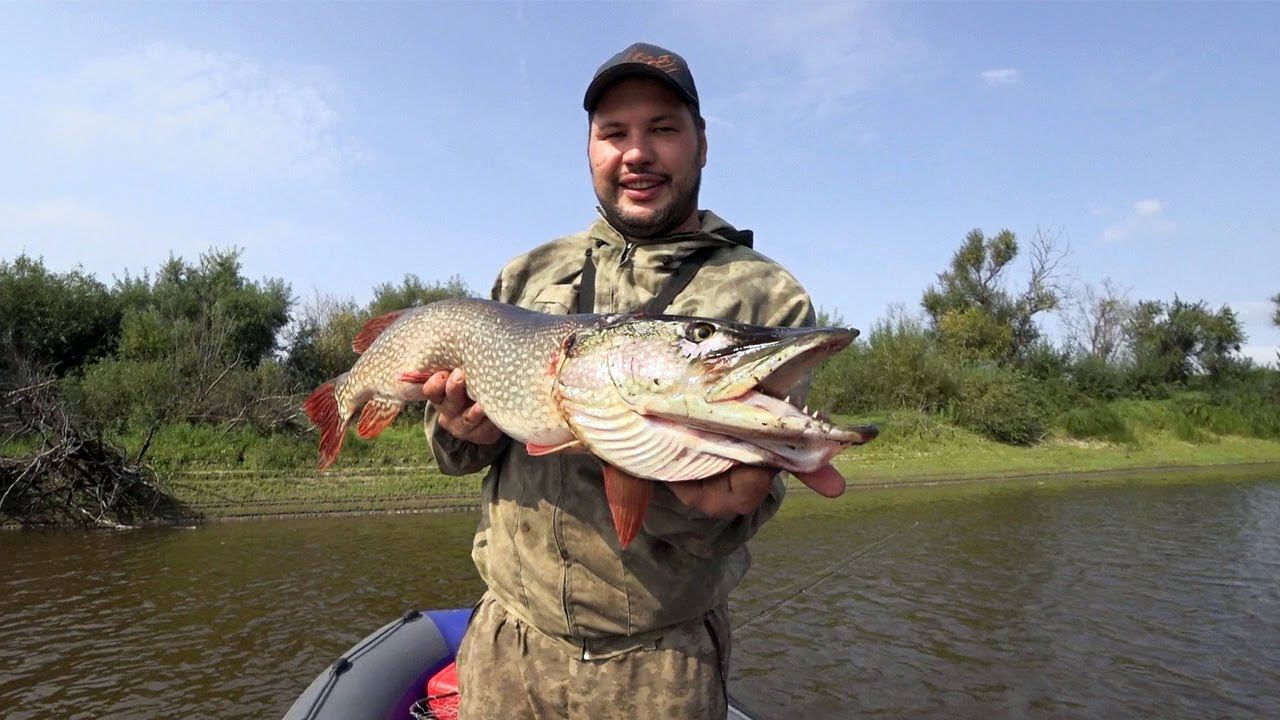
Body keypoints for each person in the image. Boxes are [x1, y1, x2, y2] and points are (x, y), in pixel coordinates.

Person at [421, 42, 845, 719]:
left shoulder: (764, 297)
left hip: (658, 664)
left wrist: (712, 503)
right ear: (591, 148)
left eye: (664, 129)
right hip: (506, 643)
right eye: (613, 133)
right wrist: (455, 429)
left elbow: (749, 505)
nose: (636, 153)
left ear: (701, 144)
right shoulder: (527, 274)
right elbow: (461, 455)